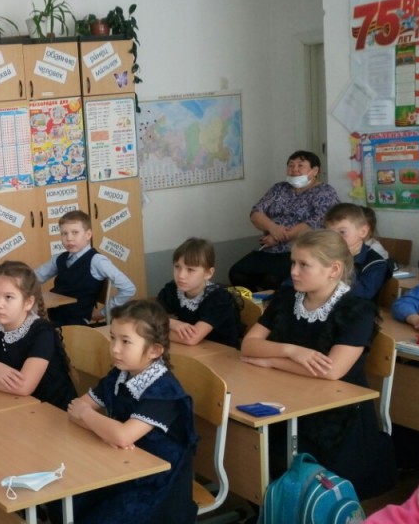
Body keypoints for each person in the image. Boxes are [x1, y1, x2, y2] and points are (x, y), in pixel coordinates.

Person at [240, 229, 394, 498]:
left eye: (304, 265)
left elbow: (332, 371)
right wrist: (291, 351)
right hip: (288, 394)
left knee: (294, 468)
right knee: (250, 442)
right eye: (293, 263)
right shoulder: (287, 298)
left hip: (336, 414)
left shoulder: (356, 310)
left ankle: (287, 503)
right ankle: (270, 502)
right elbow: (249, 345)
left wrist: (271, 360)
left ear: (334, 269)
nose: (294, 271)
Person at [62, 299, 198, 523]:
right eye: (113, 338)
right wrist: (110, 431)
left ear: (155, 350)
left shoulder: (164, 392)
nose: (115, 348)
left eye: (125, 341)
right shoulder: (119, 374)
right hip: (124, 466)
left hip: (159, 484)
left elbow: (118, 433)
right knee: (67, 500)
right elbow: (75, 408)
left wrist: (95, 421)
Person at [0, 260, 78, 410]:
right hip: (19, 404)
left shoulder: (42, 332)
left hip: (53, 411)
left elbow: (23, 387)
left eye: (8, 297)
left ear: (28, 303)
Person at [229, 150, 339, 292]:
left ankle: (274, 304)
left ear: (315, 171)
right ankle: (256, 303)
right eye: (291, 165)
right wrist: (273, 228)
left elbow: (317, 222)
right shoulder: (279, 188)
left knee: (272, 279)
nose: (294, 169)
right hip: (269, 248)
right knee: (237, 273)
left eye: (300, 166)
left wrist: (279, 237)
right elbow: (256, 213)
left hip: (302, 250)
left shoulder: (325, 192)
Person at [34, 210, 136, 327]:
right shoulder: (59, 258)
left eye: (75, 232)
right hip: (53, 316)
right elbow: (34, 278)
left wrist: (103, 313)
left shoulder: (97, 261)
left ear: (88, 235)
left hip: (76, 322)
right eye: (64, 233)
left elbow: (128, 288)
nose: (69, 238)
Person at [156, 237, 242, 348]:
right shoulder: (172, 289)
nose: (181, 275)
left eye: (190, 270)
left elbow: (191, 339)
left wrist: (153, 333)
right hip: (193, 350)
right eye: (177, 267)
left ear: (208, 273)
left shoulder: (219, 298)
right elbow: (147, 315)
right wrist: (172, 323)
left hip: (220, 352)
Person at [323, 202, 390, 301]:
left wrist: (346, 261)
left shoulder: (375, 263)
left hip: (353, 308)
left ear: (362, 232)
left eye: (342, 232)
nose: (335, 238)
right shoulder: (323, 253)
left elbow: (362, 295)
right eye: (330, 233)